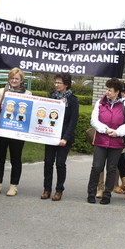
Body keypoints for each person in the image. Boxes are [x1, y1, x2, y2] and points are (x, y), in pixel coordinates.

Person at [87, 78, 125, 205]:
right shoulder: (100, 103)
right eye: (106, 89)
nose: (107, 92)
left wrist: (117, 132)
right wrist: (105, 129)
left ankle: (107, 195)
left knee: (112, 168)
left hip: (116, 142)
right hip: (101, 140)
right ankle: (92, 192)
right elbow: (94, 120)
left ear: (117, 92)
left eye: (110, 90)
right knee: (97, 167)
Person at [0, 68, 31, 197]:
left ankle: (13, 186)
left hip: (17, 132)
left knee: (16, 159)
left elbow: (29, 112)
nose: (14, 80)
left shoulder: (27, 94)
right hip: (1, 130)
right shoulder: (3, 91)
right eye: (12, 78)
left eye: (17, 78)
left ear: (21, 80)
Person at [42, 73, 79, 201]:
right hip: (51, 135)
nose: (56, 85)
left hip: (64, 137)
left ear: (66, 84)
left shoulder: (73, 100)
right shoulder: (51, 96)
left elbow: (73, 121)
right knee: (48, 162)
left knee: (60, 163)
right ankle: (47, 189)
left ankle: (59, 190)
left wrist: (65, 138)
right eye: (55, 82)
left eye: (59, 83)